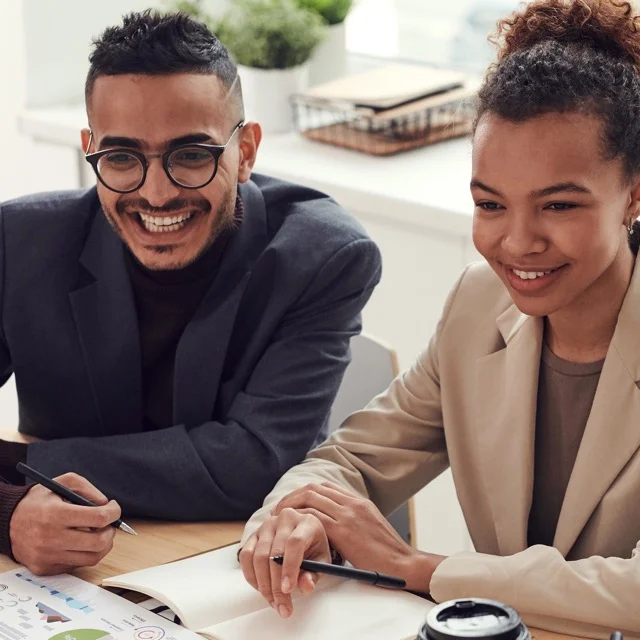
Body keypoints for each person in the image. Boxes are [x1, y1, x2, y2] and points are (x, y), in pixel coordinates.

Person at [239, 0, 640, 635]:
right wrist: (297, 518)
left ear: (634, 193)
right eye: (490, 203)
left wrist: (417, 566)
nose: (517, 241)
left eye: (558, 205)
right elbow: (352, 458)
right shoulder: (478, 306)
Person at [0, 11, 381, 575]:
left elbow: (255, 462)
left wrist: (22, 464)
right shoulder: (18, 242)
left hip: (242, 572)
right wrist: (8, 512)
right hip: (78, 575)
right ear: (91, 149)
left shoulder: (324, 257)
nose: (156, 194)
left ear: (246, 151)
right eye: (122, 158)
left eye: (191, 155)